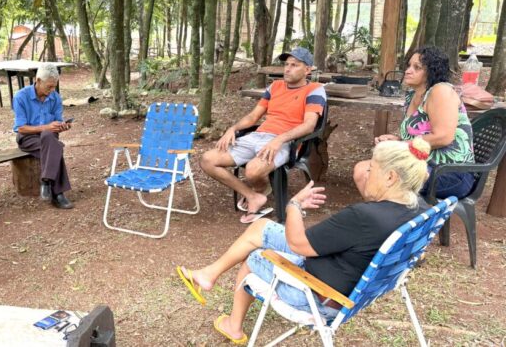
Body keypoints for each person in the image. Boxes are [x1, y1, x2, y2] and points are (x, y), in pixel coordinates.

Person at [177, 138, 430, 344]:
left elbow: (299, 244)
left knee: (256, 257)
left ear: (391, 178)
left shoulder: (363, 217)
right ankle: (209, 274)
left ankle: (233, 325)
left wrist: (295, 205)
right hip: (350, 279)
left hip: (319, 296)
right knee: (261, 227)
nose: (366, 172)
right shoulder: (418, 208)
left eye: (372, 169)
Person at [200, 47, 326, 223]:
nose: (287, 69)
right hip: (257, 136)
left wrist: (279, 139)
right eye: (286, 64)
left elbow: (309, 125)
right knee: (207, 159)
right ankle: (253, 196)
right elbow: (253, 116)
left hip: (286, 141)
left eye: (294, 65)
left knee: (253, 170)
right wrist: (232, 129)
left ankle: (260, 188)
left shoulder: (315, 89)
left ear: (307, 70)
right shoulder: (275, 86)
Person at [354, 46, 475, 201]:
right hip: (421, 164)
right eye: (409, 66)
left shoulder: (441, 91)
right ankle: (384, 215)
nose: (408, 71)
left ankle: (386, 215)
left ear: (432, 71)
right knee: (363, 171)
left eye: (417, 67)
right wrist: (397, 139)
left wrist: (399, 145)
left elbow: (443, 137)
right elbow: (419, 136)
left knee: (370, 175)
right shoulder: (412, 95)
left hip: (450, 172)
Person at [12, 63, 73, 209]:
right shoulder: (21, 97)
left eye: (54, 87)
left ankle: (46, 180)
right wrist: (46, 127)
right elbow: (21, 128)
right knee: (55, 146)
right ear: (38, 80)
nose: (52, 90)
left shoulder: (55, 98)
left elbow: (56, 123)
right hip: (27, 138)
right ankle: (58, 194)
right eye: (49, 87)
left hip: (49, 137)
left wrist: (62, 126)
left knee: (50, 139)